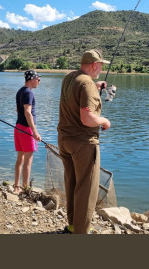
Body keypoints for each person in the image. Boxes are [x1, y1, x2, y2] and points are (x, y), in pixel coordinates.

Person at [57, 49, 111, 234]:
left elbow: (77, 93)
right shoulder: (86, 83)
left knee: (71, 183)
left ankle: (72, 225)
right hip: (83, 143)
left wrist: (95, 87)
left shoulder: (70, 77)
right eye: (101, 66)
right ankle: (81, 231)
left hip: (64, 140)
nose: (101, 69)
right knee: (87, 189)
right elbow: (87, 118)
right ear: (95, 65)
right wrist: (104, 121)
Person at [14, 70, 42, 194]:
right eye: (38, 79)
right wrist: (34, 132)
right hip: (26, 129)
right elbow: (27, 112)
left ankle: (17, 185)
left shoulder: (20, 91)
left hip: (18, 127)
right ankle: (25, 188)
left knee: (20, 158)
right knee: (28, 160)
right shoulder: (28, 93)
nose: (39, 82)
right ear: (32, 79)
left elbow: (17, 110)